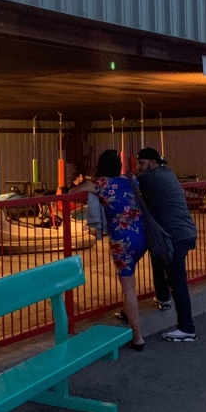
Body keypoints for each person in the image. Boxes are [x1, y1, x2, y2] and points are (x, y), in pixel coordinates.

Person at [78, 150, 146, 351]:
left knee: (128, 287)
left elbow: (74, 190)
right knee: (131, 279)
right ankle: (126, 311)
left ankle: (138, 337)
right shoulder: (131, 179)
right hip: (141, 234)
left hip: (122, 240)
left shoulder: (100, 184)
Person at [135, 147, 198, 342]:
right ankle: (163, 297)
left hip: (174, 237)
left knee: (178, 283)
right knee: (158, 257)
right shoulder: (168, 173)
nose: (138, 167)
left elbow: (128, 184)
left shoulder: (148, 178)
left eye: (141, 163)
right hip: (184, 232)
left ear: (153, 163)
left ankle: (186, 328)